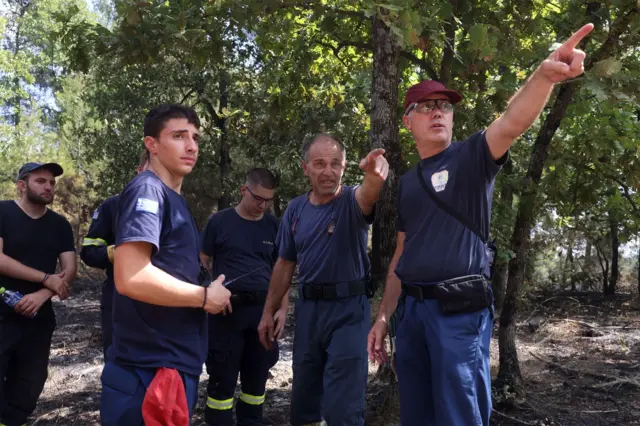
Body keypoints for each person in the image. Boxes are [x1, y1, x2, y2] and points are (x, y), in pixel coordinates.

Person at [367, 23, 594, 426]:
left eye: (445, 106)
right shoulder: (406, 185)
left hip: (458, 314)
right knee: (417, 414)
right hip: (413, 315)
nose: (438, 111)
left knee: (460, 415)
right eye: (426, 105)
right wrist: (385, 316)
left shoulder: (471, 157)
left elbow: (511, 122)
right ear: (407, 120)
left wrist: (543, 77)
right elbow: (401, 254)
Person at [99, 104, 233, 425]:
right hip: (148, 372)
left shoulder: (174, 199)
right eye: (178, 136)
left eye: (195, 137)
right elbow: (131, 277)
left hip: (169, 365)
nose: (192, 146)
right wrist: (203, 298)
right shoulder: (148, 189)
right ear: (152, 145)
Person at [258, 133, 388, 426]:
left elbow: (370, 192)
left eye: (335, 164)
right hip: (309, 311)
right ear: (306, 168)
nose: (328, 171)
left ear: (344, 167)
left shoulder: (351, 202)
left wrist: (374, 173)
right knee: (304, 403)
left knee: (343, 407)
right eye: (319, 164)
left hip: (348, 312)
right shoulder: (295, 210)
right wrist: (268, 311)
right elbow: (284, 264)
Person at [200, 167, 287, 426]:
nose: (262, 205)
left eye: (268, 201)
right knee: (222, 382)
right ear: (243, 190)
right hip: (225, 313)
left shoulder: (274, 227)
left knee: (256, 381)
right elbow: (203, 259)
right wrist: (208, 288)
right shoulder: (219, 222)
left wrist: (282, 309)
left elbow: (282, 271)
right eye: (257, 198)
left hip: (262, 313)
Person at [0, 162, 77, 426]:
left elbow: (69, 269)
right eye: (41, 181)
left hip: (38, 318)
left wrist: (42, 295)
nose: (48, 187)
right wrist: (46, 278)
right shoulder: (2, 212)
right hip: (2, 313)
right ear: (22, 185)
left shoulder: (59, 225)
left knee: (29, 384)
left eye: (52, 183)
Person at [80, 150, 150, 358]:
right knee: (118, 365)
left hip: (163, 303)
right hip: (120, 300)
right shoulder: (114, 206)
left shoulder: (175, 208)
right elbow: (88, 252)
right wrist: (118, 253)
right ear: (139, 171)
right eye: (152, 171)